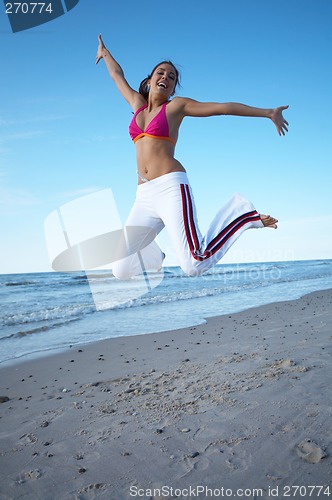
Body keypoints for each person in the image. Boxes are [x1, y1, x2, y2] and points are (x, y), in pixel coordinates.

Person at [96, 34, 289, 279]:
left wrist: (268, 112)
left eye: (171, 77)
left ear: (174, 88)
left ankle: (242, 217)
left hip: (171, 188)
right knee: (121, 269)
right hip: (143, 196)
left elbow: (223, 108)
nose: (165, 77)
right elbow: (117, 75)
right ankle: (156, 256)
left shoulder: (176, 107)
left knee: (194, 265)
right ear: (149, 80)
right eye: (161, 73)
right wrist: (105, 54)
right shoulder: (137, 105)